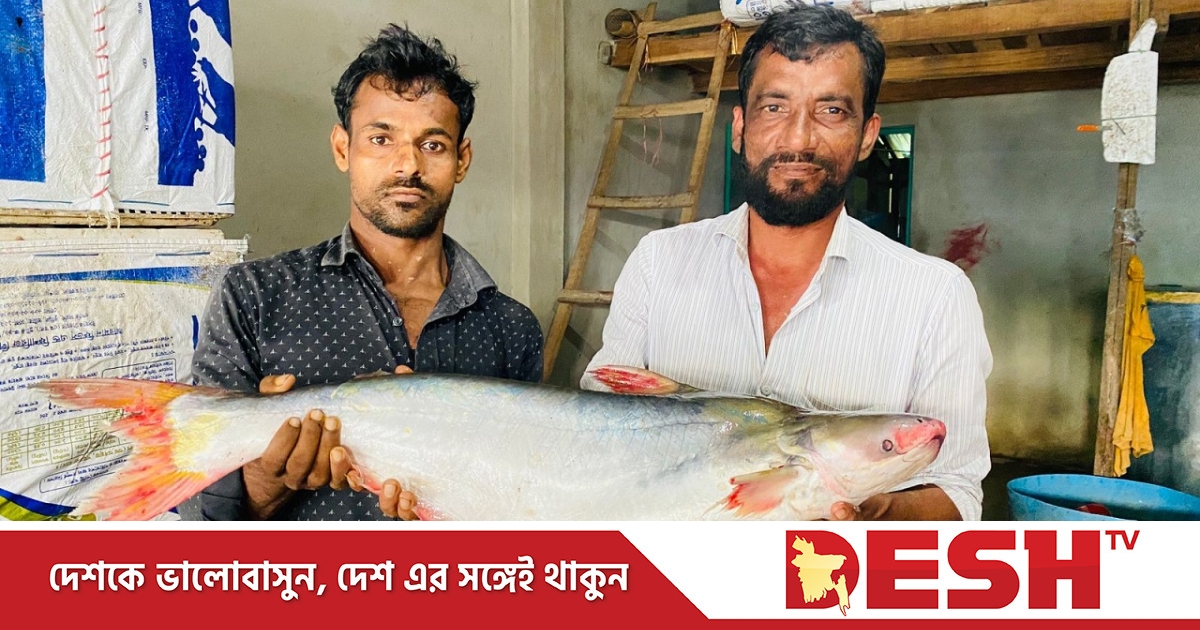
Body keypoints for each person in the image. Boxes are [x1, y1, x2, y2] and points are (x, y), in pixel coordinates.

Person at [582, 5, 992, 521]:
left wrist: (880, 514)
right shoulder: (658, 263)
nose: (798, 139)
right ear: (740, 126)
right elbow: (597, 434)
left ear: (867, 135)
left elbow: (957, 491)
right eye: (774, 107)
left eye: (831, 110)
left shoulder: (936, 296)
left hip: (828, 573)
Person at [180, 25, 543, 521]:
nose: (407, 165)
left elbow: (524, 503)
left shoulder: (512, 329)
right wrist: (267, 480)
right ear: (342, 148)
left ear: (462, 160)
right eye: (381, 139)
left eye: (433, 145)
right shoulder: (254, 296)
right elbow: (197, 517)